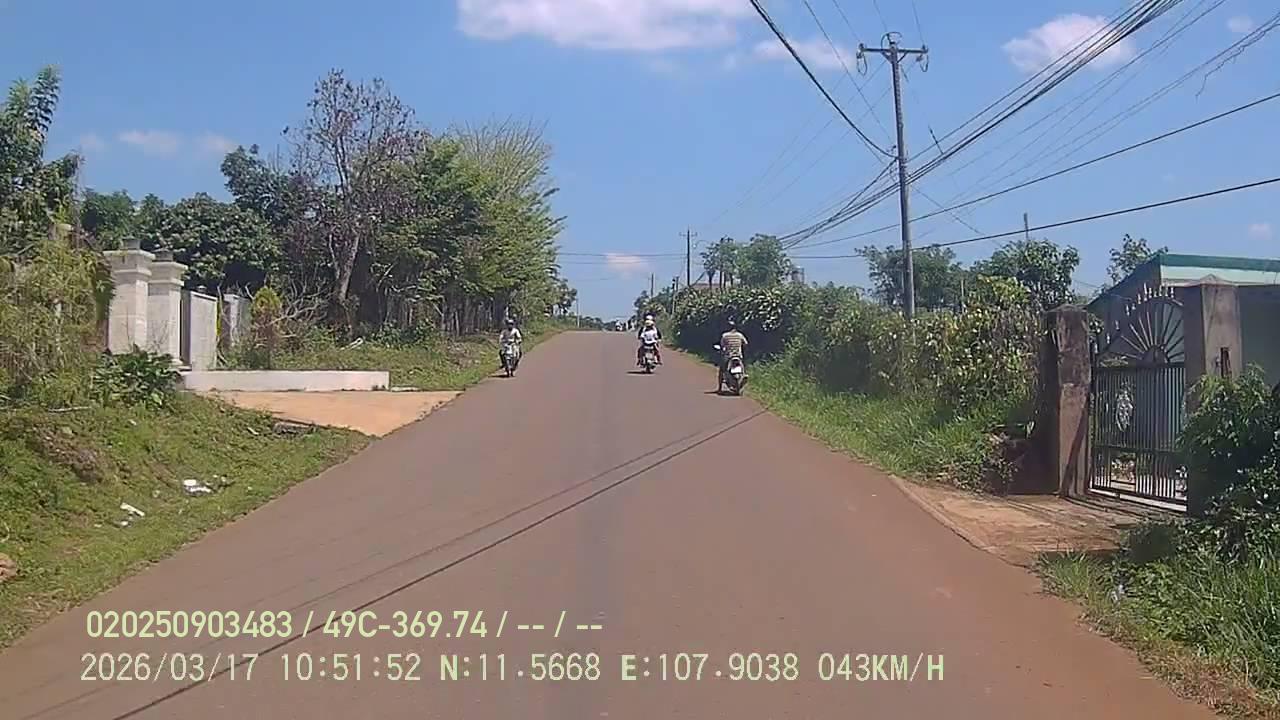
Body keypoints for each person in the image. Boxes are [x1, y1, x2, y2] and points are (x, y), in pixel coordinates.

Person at [717, 319, 748, 391]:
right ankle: (743, 375)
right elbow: (745, 344)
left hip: (728, 356)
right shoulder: (740, 335)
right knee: (743, 365)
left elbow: (722, 346)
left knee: (722, 370)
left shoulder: (725, 336)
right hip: (738, 355)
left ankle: (720, 388)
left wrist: (722, 351)